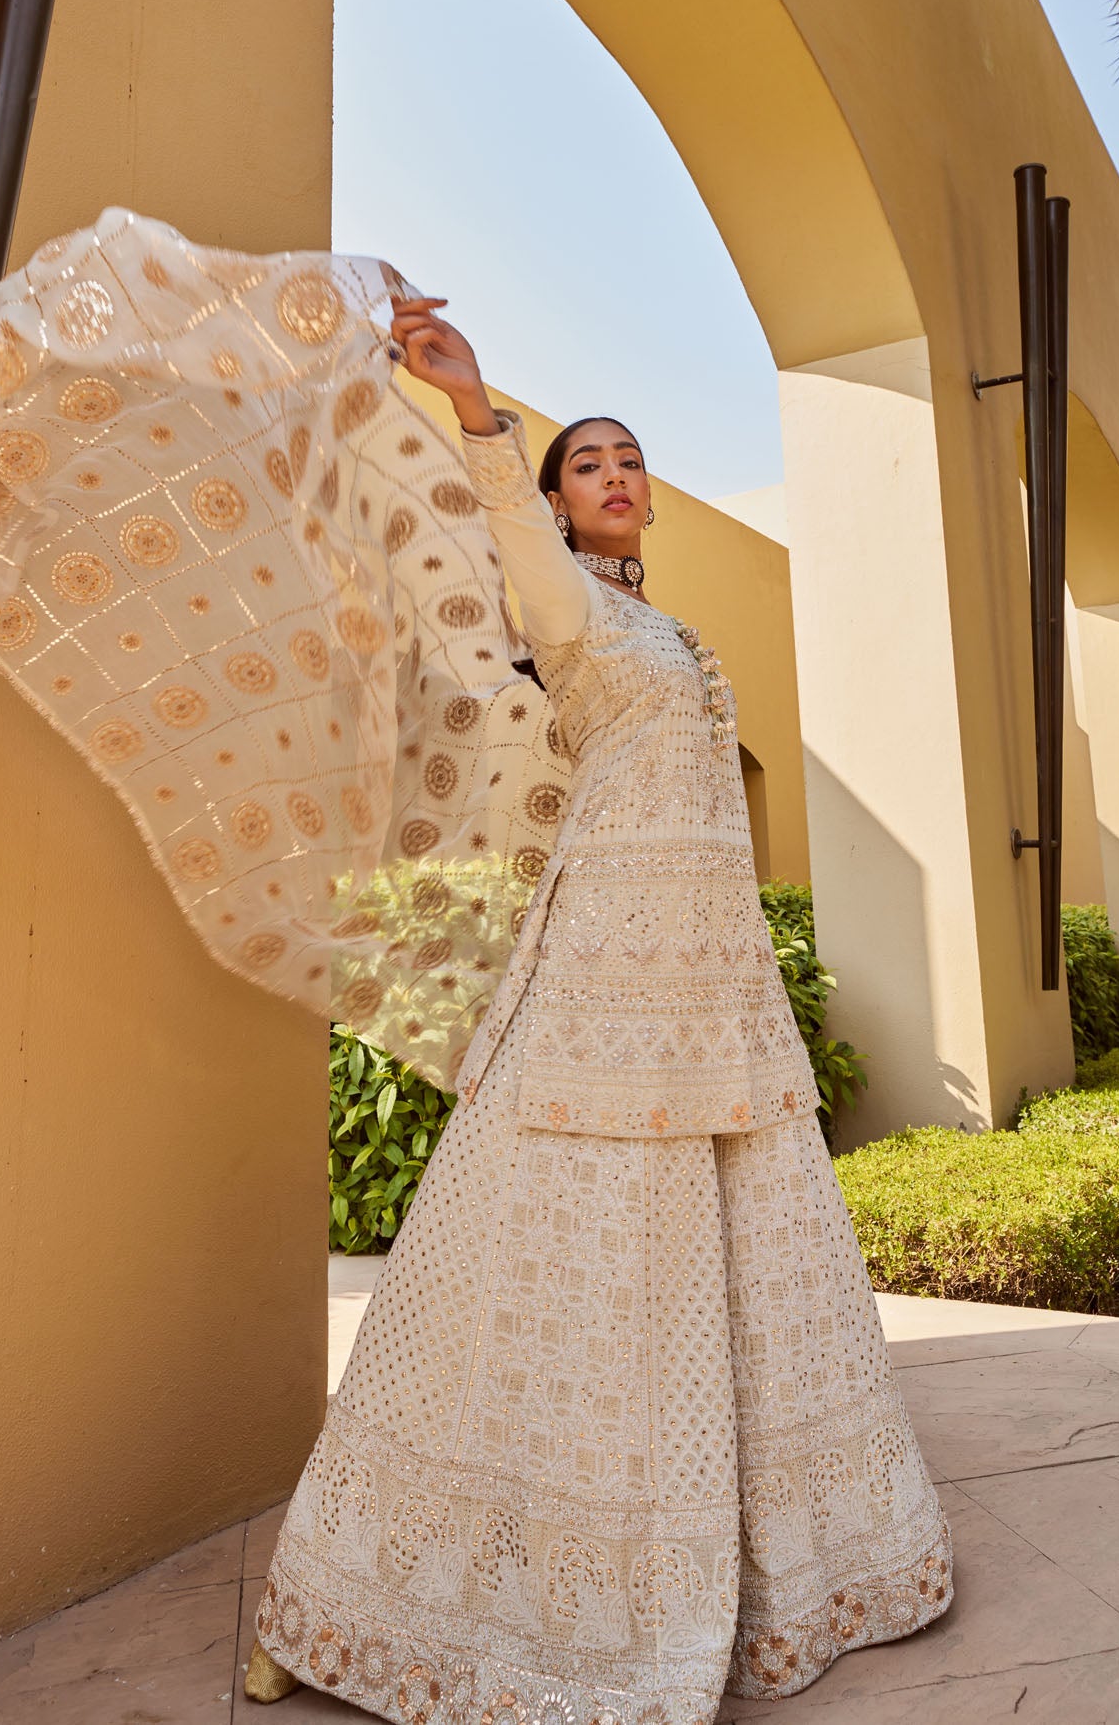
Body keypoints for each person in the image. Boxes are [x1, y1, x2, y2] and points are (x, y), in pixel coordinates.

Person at [242, 296, 952, 1721]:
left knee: (746, 1260)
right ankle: (359, 1596)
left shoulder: (671, 631)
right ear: (559, 504)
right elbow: (511, 534)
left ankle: (777, 1572)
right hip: (604, 984)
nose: (617, 474)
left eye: (631, 459)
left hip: (712, 983)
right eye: (590, 463)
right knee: (527, 1244)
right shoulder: (564, 611)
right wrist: (476, 410)